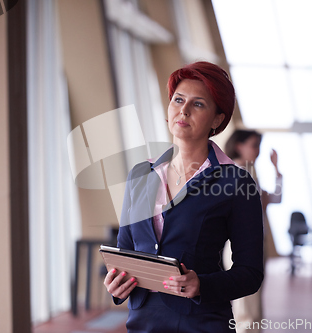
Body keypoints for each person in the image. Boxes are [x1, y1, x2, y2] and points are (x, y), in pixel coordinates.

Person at [103, 61, 264, 332]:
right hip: (143, 322)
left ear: (217, 120)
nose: (184, 110)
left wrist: (201, 284)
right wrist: (115, 285)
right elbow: (125, 251)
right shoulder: (140, 174)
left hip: (202, 322)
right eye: (178, 100)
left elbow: (250, 273)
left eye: (198, 104)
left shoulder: (236, 181)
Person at [224, 129, 282, 332]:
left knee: (251, 301)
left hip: (254, 242)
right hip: (241, 245)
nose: (257, 151)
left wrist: (276, 170)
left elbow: (274, 199)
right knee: (247, 304)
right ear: (239, 146)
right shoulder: (236, 173)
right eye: (254, 145)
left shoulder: (248, 173)